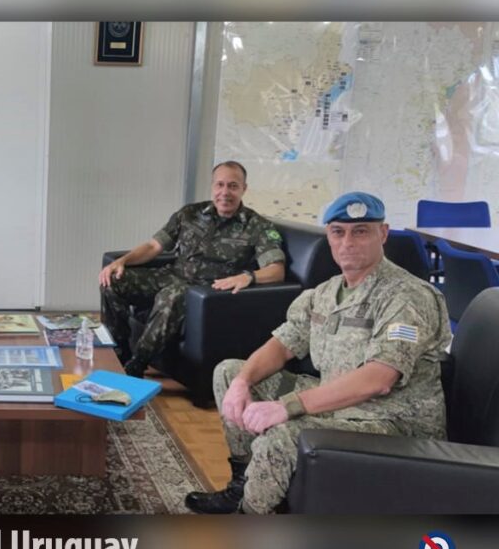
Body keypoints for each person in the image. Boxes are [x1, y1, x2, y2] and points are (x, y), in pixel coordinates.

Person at [185, 192, 451, 514]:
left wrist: (286, 407)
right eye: (338, 232)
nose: (347, 242)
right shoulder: (325, 292)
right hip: (338, 402)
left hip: (390, 421)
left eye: (361, 231)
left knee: (284, 435)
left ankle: (251, 515)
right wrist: (243, 381)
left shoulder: (407, 296)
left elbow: (379, 379)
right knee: (229, 372)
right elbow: (282, 344)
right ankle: (241, 486)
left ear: (383, 234)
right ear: (329, 237)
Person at [99, 161, 286, 379]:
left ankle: (135, 367)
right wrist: (122, 261)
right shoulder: (190, 213)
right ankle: (118, 353)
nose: (225, 192)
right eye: (220, 185)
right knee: (113, 281)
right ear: (212, 186)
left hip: (206, 291)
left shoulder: (258, 226)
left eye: (233, 186)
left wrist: (248, 277)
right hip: (172, 275)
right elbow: (153, 247)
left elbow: (276, 270)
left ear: (244, 189)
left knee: (172, 295)